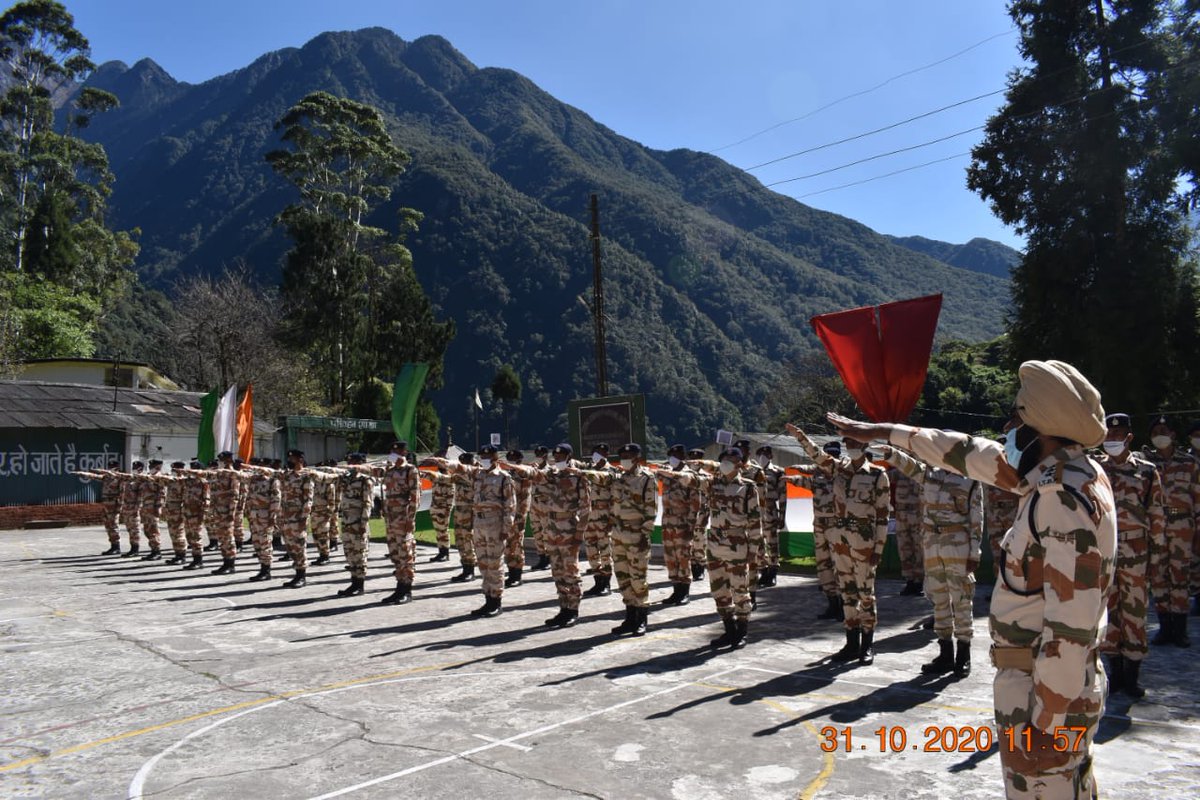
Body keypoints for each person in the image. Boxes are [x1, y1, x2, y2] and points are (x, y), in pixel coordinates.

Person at [828, 359, 1116, 800]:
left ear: (1043, 429)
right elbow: (967, 451)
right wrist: (885, 431)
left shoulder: (1061, 499)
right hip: (1051, 688)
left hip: (1045, 695)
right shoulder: (1065, 473)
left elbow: (1070, 627)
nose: (1009, 430)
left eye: (1018, 419)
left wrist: (1046, 723)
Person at [786, 426, 891, 665]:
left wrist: (878, 549)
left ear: (864, 446)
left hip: (864, 542)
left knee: (865, 594)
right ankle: (851, 642)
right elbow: (817, 455)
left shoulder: (877, 475)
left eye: (855, 443)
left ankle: (867, 644)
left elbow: (883, 516)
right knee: (847, 593)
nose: (851, 447)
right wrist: (801, 437)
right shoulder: (837, 469)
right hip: (839, 540)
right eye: (848, 444)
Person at [880, 444, 983, 677]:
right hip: (932, 544)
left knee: (962, 599)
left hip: (958, 544)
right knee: (939, 599)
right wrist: (891, 453)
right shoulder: (929, 475)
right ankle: (945, 653)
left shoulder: (969, 480)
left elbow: (977, 518)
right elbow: (910, 465)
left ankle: (963, 655)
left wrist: (974, 553)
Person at [1096, 412, 1165, 698]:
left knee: (1135, 613)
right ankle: (1115, 671)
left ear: (1129, 437)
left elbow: (1156, 512)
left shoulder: (1147, 471)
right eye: (1109, 435)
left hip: (1136, 550)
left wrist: (1158, 552)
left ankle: (1133, 674)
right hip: (1104, 552)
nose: (1113, 439)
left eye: (1118, 435)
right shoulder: (1094, 469)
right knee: (1109, 611)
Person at [576, 444, 657, 636]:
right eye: (622, 456)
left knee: (638, 579)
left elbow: (651, 509)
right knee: (623, 579)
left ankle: (641, 619)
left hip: (637, 535)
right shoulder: (618, 477)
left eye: (628, 455)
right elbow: (601, 477)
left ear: (637, 457)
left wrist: (645, 534)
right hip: (618, 535)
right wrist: (581, 472)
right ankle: (629, 618)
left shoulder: (646, 478)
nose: (624, 459)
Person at [1143, 414, 1200, 647]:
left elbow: (1198, 498)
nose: (1160, 436)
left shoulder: (1189, 463)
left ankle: (1180, 630)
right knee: (1158, 578)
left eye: (1164, 432)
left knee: (1180, 577)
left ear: (1173, 435)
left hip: (1182, 528)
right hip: (1156, 528)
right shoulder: (1147, 466)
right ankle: (1164, 628)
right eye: (1156, 433)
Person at [704, 447, 759, 649]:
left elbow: (755, 521)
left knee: (739, 590)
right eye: (724, 458)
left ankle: (741, 631)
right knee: (719, 590)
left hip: (737, 545)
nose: (726, 461)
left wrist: (754, 550)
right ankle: (728, 630)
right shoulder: (713, 484)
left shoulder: (748, 487)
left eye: (731, 458)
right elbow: (691, 479)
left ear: (740, 464)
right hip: (715, 544)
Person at [784, 440, 841, 620]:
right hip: (820, 526)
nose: (830, 458)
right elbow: (808, 482)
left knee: (841, 566)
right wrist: (791, 478)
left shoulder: (845, 474)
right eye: (827, 455)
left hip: (838, 527)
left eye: (834, 455)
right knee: (823, 566)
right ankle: (832, 603)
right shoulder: (818, 475)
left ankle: (846, 607)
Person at [537, 443, 591, 627]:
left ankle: (573, 609)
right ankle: (563, 607)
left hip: (568, 526)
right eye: (555, 456)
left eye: (561, 456)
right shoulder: (551, 475)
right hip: (551, 527)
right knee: (557, 570)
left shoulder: (579, 477)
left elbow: (585, 509)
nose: (557, 459)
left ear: (569, 456)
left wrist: (579, 533)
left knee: (570, 570)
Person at [658, 444, 703, 606]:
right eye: (670, 455)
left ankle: (685, 592)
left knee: (683, 558)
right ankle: (676, 590)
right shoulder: (668, 474)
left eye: (675, 455)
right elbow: (656, 471)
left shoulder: (689, 476)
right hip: (668, 524)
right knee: (670, 558)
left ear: (683, 457)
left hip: (682, 525)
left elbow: (695, 504)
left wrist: (690, 527)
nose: (672, 457)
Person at [378, 445, 421, 605]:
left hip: (403, 517)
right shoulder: (389, 470)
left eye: (396, 451)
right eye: (392, 451)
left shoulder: (410, 470)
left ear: (404, 452)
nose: (393, 454)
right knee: (395, 552)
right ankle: (399, 586)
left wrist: (411, 519)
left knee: (405, 552)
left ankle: (407, 589)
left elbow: (415, 496)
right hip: (391, 518)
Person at [333, 453, 378, 597]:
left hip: (358, 523)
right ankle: (353, 582)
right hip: (347, 522)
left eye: (352, 461)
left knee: (359, 554)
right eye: (349, 460)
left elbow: (367, 504)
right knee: (349, 553)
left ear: (360, 463)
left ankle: (360, 585)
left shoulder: (366, 480)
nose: (349, 463)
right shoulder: (346, 479)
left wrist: (363, 524)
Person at [278, 450, 316, 588]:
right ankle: (296, 574)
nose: (290, 461)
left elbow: (308, 499)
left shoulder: (306, 476)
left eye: (292, 458)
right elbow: (270, 472)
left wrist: (304, 518)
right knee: (290, 545)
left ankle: (302, 576)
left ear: (300, 459)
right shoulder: (287, 475)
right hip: (287, 516)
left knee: (299, 546)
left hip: (298, 517)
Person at [582, 443, 615, 596]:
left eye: (600, 452)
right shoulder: (591, 470)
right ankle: (597, 581)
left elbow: (616, 498)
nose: (596, 454)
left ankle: (606, 583)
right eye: (595, 452)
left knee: (605, 550)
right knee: (591, 549)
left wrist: (612, 517)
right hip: (590, 515)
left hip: (604, 517)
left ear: (606, 454)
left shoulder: (611, 471)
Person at [754, 446, 787, 589]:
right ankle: (763, 571)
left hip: (770, 511)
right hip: (755, 512)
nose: (762, 456)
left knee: (772, 544)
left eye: (765, 454)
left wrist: (782, 515)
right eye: (760, 454)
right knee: (758, 544)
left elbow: (783, 495)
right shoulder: (753, 471)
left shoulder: (778, 472)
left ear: (771, 456)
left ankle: (773, 572)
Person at [503, 449, 534, 587]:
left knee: (516, 544)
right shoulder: (509, 474)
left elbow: (518, 490)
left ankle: (517, 575)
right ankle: (511, 572)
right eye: (509, 459)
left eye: (513, 459)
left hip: (519, 514)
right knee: (508, 545)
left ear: (519, 460)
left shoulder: (523, 473)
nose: (510, 462)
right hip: (508, 514)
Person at [891, 468, 924, 596]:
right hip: (901, 513)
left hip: (917, 513)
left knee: (919, 549)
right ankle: (909, 580)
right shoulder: (900, 469)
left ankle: (919, 582)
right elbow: (886, 476)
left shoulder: (922, 468)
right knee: (904, 549)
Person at [449, 453, 478, 583]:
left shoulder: (478, 473)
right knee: (460, 539)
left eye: (465, 462)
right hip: (459, 510)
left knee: (468, 539)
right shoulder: (458, 474)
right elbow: (448, 479)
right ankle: (465, 568)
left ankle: (470, 570)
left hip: (470, 510)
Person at [426, 451, 455, 563]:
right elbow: (426, 476)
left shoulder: (449, 477)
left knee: (443, 531)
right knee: (438, 530)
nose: (439, 465)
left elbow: (451, 495)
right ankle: (440, 551)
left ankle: (445, 552)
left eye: (441, 463)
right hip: (435, 506)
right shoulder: (435, 475)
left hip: (443, 508)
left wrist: (448, 509)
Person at [687, 447, 711, 581]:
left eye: (697, 459)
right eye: (692, 458)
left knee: (700, 540)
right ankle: (692, 566)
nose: (694, 461)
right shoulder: (685, 474)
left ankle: (700, 567)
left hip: (702, 513)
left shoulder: (707, 475)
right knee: (689, 541)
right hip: (688, 513)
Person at [528, 445, 553, 571]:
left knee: (546, 534)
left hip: (545, 506)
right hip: (534, 506)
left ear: (545, 456)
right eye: (536, 454)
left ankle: (549, 558)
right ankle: (541, 557)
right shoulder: (533, 470)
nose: (538, 457)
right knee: (537, 533)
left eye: (540, 454)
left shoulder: (551, 470)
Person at [120, 461, 144, 557]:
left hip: (134, 508)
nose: (134, 468)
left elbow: (141, 496)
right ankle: (132, 548)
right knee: (130, 529)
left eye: (136, 467)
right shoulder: (131, 479)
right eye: (133, 467)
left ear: (141, 469)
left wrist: (137, 508)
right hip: (127, 507)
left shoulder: (142, 480)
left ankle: (135, 549)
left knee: (135, 529)